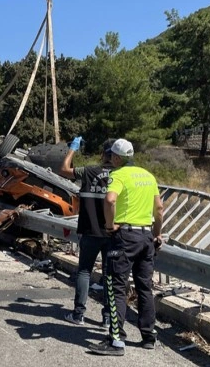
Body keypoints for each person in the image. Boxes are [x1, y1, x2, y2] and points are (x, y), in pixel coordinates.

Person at [89, 138, 164, 356]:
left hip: (124, 237)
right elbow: (159, 208)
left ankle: (116, 341)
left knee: (116, 287)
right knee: (144, 287)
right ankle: (148, 335)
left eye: (112, 155)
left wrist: (110, 225)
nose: (110, 158)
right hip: (146, 236)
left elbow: (110, 200)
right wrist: (156, 234)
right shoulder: (148, 176)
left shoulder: (118, 175)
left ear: (117, 157)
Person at [59, 137, 115, 327]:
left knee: (84, 271)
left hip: (90, 230)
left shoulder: (89, 171)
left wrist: (73, 149)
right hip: (113, 233)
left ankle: (78, 314)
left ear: (102, 154)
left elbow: (64, 170)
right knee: (109, 274)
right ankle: (108, 318)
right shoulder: (122, 174)